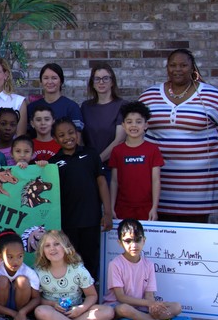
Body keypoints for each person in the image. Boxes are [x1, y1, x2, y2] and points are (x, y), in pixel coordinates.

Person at [138, 49, 218, 223]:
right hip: (161, 179)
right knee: (163, 230)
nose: (178, 69)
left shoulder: (212, 96)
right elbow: (138, 128)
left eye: (183, 65)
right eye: (173, 65)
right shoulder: (149, 96)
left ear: (193, 68)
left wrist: (202, 147)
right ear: (167, 68)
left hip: (198, 184)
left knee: (195, 234)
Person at [50, 118, 112, 280]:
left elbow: (102, 182)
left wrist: (108, 212)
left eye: (71, 133)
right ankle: (74, 296)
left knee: (91, 259)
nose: (67, 137)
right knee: (70, 260)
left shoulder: (91, 154)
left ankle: (92, 297)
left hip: (91, 219)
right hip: (68, 222)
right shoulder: (53, 163)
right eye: (61, 135)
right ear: (55, 139)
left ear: (77, 134)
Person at [104, 219, 192, 320]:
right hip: (118, 306)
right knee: (124, 309)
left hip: (141, 307)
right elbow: (121, 297)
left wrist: (153, 307)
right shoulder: (115, 264)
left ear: (144, 240)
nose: (134, 245)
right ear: (120, 243)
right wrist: (149, 303)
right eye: (128, 241)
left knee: (177, 307)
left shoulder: (148, 265)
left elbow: (149, 295)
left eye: (138, 239)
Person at [32, 230, 113, 320]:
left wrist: (80, 309)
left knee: (108, 311)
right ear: (42, 251)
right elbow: (37, 299)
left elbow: (92, 295)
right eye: (47, 246)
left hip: (76, 311)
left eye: (57, 244)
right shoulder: (39, 272)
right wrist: (53, 304)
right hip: (52, 310)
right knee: (40, 311)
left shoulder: (78, 269)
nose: (52, 248)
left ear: (66, 247)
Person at [109, 102, 164, 221]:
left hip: (146, 208)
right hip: (122, 208)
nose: (134, 125)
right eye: (129, 122)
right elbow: (114, 181)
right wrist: (111, 207)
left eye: (138, 122)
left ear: (145, 125)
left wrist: (154, 208)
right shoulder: (117, 151)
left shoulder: (153, 150)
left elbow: (156, 180)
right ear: (123, 125)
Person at [0, 230, 40, 320]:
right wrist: (13, 313)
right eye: (10, 257)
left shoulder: (29, 272)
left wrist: (22, 312)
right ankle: (1, 317)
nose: (15, 261)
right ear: (0, 256)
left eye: (20, 256)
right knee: (2, 280)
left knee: (22, 281)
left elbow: (36, 298)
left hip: (21, 308)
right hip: (0, 307)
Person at [80, 63, 126, 177]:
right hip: (88, 167)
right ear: (92, 84)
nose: (101, 82)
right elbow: (81, 140)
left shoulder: (122, 105)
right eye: (97, 79)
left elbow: (119, 140)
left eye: (105, 78)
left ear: (112, 82)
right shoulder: (85, 107)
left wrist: (97, 160)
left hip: (112, 168)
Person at [26, 63, 83, 133]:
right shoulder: (31, 107)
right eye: (46, 78)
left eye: (54, 78)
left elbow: (77, 137)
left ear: (61, 81)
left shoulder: (71, 107)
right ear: (41, 81)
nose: (50, 82)